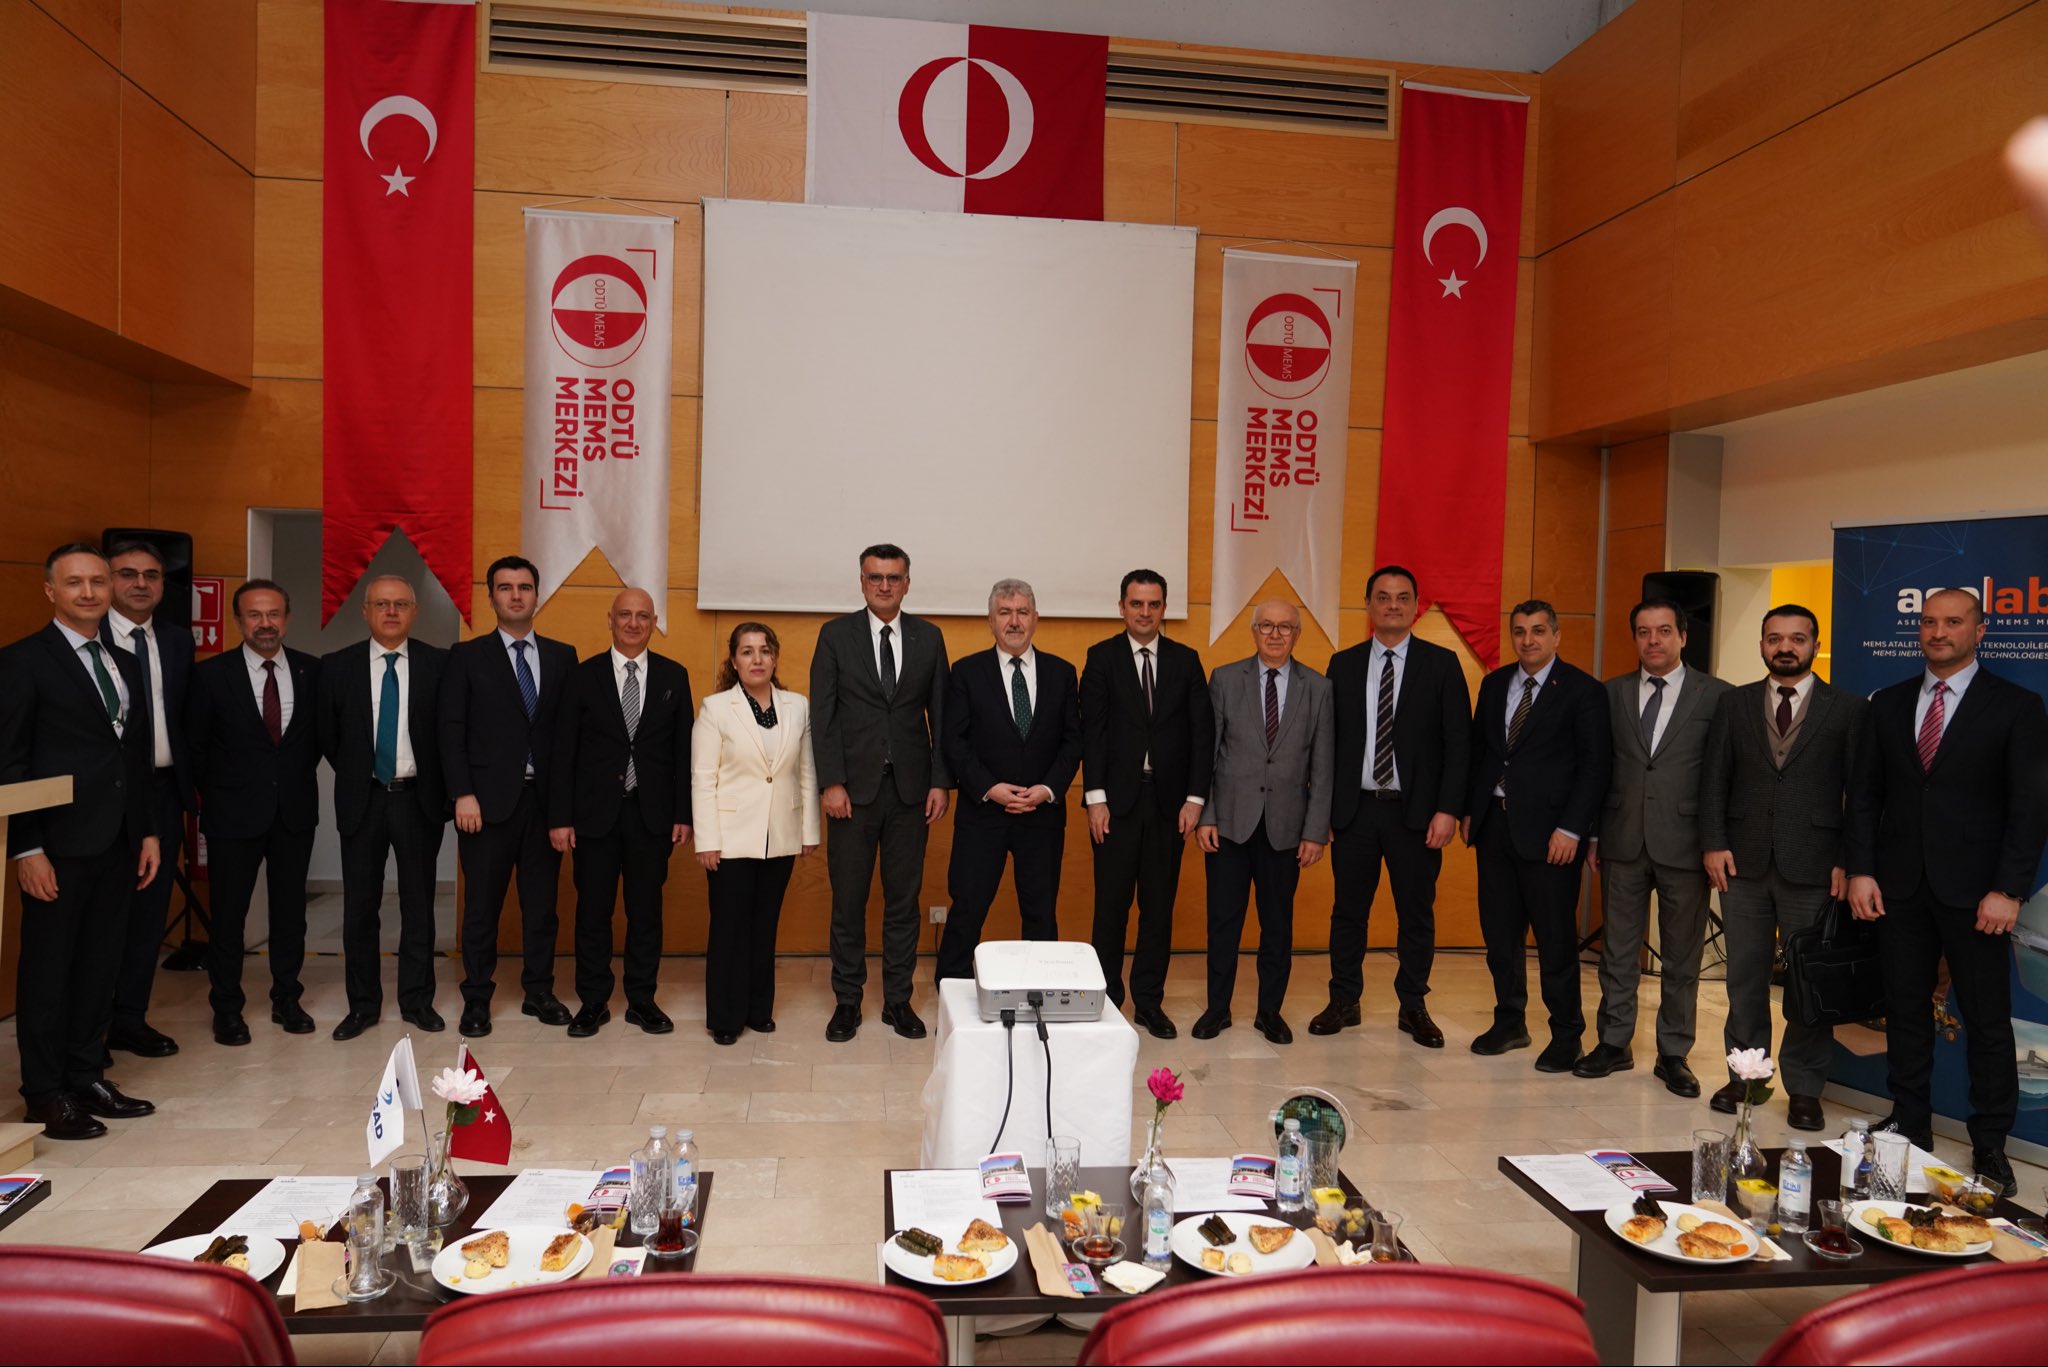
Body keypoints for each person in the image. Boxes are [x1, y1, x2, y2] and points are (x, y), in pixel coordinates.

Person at [1847, 587, 2048, 1198]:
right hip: (1899, 887)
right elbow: (1866, 796)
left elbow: (2030, 808)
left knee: (1986, 1021)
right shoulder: (1888, 703)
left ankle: (1990, 1143)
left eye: (1953, 622)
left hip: (1980, 895)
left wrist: (2009, 890)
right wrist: (1861, 870)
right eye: (1929, 622)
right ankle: (1910, 1122)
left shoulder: (2017, 706)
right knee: (1905, 1009)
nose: (1938, 632)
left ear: (1979, 631)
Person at [0, 545, 159, 1139]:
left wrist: (146, 829)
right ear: (51, 591)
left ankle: (86, 1075)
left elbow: (132, 754)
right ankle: (44, 1094)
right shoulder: (22, 662)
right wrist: (26, 849)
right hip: (56, 845)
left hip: (117, 839)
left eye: (97, 581)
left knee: (99, 966)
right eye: (75, 583)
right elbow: (10, 762)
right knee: (48, 973)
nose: (89, 592)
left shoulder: (124, 660)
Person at [1700, 604, 1864, 1132]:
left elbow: (1861, 795)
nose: (1785, 647)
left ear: (1815, 644)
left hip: (1815, 867)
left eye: (1796, 638)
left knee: (1806, 983)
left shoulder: (1847, 709)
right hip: (1742, 863)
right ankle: (1745, 1078)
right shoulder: (1734, 703)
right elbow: (1714, 780)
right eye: (1775, 638)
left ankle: (1805, 1088)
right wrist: (1713, 843)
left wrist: (1848, 861)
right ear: (1763, 645)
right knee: (1744, 979)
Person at [1576, 599, 1729, 1096]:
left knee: (1681, 957)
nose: (1654, 641)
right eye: (1644, 632)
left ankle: (1673, 1053)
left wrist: (1716, 842)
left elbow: (1722, 775)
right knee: (1617, 952)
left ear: (1683, 636)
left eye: (1664, 631)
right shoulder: (1611, 693)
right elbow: (1597, 767)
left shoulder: (1717, 695)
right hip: (1621, 837)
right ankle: (1613, 1043)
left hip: (1687, 843)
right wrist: (1594, 833)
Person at [1316, 566, 1470, 1048]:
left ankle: (1413, 1006)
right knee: (1348, 913)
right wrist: (1324, 811)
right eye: (1383, 597)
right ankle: (1344, 1000)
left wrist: (1448, 809)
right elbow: (1328, 744)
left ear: (1416, 606)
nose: (1393, 605)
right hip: (1355, 812)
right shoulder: (1343, 665)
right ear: (1368, 605)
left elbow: (1459, 744)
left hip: (1418, 815)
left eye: (1403, 597)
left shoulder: (1442, 664)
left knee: (1416, 915)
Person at [810, 544, 951, 1041]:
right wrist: (831, 782)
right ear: (862, 581)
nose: (884, 586)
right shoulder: (835, 635)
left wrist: (939, 781)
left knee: (903, 902)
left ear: (907, 583)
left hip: (912, 793)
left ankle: (897, 1001)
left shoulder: (929, 637)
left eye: (893, 578)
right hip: (852, 793)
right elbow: (822, 714)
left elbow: (942, 716)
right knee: (848, 901)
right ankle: (847, 1001)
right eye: (876, 577)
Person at [1463, 599, 1611, 1072]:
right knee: (1499, 936)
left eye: (1538, 630)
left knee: (1554, 939)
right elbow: (1480, 753)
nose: (1528, 640)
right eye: (1520, 631)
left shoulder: (1583, 691)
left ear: (1556, 636)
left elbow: (1595, 767)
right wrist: (1470, 810)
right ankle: (1510, 1022)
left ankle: (1567, 1034)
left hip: (1552, 837)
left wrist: (1572, 829)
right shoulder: (1494, 684)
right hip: (1494, 827)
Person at [438, 555, 579, 1038]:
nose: (515, 595)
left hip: (544, 806)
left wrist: (564, 812)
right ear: (491, 596)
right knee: (481, 909)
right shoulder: (466, 656)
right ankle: (476, 998)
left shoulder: (562, 656)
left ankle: (539, 991)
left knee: (542, 908)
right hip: (484, 806)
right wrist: (462, 793)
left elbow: (568, 739)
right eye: (505, 587)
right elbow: (450, 730)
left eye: (524, 587)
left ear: (537, 595)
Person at [550, 588, 693, 1038]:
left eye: (643, 616)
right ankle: (593, 1001)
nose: (634, 623)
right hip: (593, 817)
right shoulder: (583, 676)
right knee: (593, 912)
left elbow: (683, 751)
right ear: (609, 619)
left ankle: (642, 999)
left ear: (654, 623)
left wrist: (683, 814)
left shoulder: (674, 675)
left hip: (651, 816)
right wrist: (560, 817)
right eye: (625, 615)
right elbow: (563, 751)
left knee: (645, 912)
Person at [186, 578, 322, 1044]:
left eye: (273, 614)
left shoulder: (311, 671)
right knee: (228, 917)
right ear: (238, 620)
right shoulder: (210, 675)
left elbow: (316, 741)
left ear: (287, 618)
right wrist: (222, 792)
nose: (265, 623)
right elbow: (196, 748)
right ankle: (227, 1008)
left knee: (290, 914)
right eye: (254, 615)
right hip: (231, 815)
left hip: (294, 813)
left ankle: (287, 999)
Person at [1080, 569, 1213, 1039]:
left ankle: (1149, 1002)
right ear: (1121, 607)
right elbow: (1092, 732)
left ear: (1164, 608)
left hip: (1169, 804)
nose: (1144, 612)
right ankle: (1107, 1000)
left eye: (1153, 604)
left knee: (1158, 908)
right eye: (1136, 604)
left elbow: (1202, 734)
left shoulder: (1186, 660)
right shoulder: (1101, 658)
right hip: (1114, 805)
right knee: (1111, 907)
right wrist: (1095, 799)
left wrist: (1195, 799)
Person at [1195, 599, 1334, 1044]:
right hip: (1229, 824)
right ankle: (1218, 1009)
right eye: (1267, 626)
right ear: (1254, 631)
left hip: (1286, 829)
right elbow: (1207, 754)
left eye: (1285, 627)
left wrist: (1315, 831)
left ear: (1297, 634)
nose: (1275, 634)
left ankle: (1269, 1012)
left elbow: (1323, 767)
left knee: (1277, 925)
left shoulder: (1319, 688)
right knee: (1223, 922)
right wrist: (1205, 815)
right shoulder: (1224, 679)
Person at [318, 575, 449, 1040]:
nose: (391, 612)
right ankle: (363, 1006)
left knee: (419, 906)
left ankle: (417, 1002)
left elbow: (447, 732)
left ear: (414, 611)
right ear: (365, 611)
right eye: (381, 604)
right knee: (360, 908)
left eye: (400, 604)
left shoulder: (439, 664)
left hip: (418, 800)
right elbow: (330, 737)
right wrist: (362, 771)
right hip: (364, 798)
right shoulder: (337, 667)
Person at [936, 579, 1083, 982]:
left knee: (1040, 911)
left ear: (1036, 618)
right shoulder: (966, 672)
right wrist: (990, 789)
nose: (1014, 621)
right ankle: (952, 985)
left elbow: (1073, 741)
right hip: (983, 813)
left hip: (1042, 815)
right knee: (968, 906)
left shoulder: (1062, 673)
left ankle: (1040, 988)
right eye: (1005, 612)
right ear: (990, 620)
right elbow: (955, 741)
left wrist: (1047, 790)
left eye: (1022, 612)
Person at [691, 622, 819, 1045]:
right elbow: (702, 778)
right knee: (729, 928)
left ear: (775, 657)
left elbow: (806, 772)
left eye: (764, 650)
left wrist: (809, 830)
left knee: (765, 926)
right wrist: (707, 840)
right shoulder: (715, 708)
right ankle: (726, 1017)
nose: (757, 659)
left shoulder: (797, 706)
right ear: (734, 661)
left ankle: (758, 1009)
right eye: (747, 651)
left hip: (780, 834)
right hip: (729, 838)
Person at [99, 536, 195, 1059]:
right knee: (104, 912)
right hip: (107, 797)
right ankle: (91, 1028)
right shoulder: (90, 639)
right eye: (128, 574)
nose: (140, 584)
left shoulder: (177, 640)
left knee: (150, 912)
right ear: (108, 581)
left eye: (151, 575)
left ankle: (130, 1019)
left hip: (163, 791)